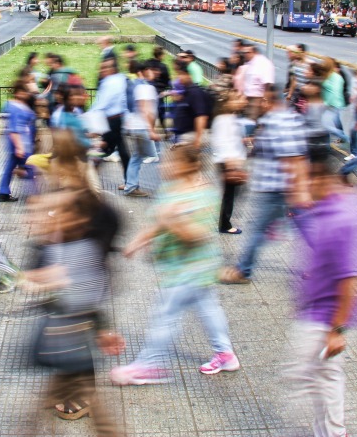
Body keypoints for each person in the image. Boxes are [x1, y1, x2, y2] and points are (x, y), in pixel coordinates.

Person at [110, 139, 240, 385]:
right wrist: (137, 242)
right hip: (186, 267)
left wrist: (173, 221)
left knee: (166, 314)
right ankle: (225, 354)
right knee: (208, 307)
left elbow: (198, 235)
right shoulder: (172, 188)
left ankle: (150, 365)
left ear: (188, 166)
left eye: (170, 163)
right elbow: (159, 222)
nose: (163, 167)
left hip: (190, 268)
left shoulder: (202, 194)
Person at [22, 167, 124, 434]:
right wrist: (34, 280)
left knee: (93, 408)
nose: (40, 219)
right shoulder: (51, 247)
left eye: (51, 214)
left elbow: (88, 294)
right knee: (48, 401)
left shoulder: (85, 249)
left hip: (74, 341)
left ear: (75, 220)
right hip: (58, 339)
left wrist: (50, 281)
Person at [286, 146, 357, 437]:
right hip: (320, 310)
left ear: (322, 179)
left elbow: (352, 279)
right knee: (327, 379)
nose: (305, 187)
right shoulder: (343, 205)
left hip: (325, 316)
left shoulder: (341, 218)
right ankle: (334, 432)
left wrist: (338, 329)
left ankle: (334, 432)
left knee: (303, 378)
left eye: (308, 180)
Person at [220, 84, 309, 285]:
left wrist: (298, 190)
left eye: (261, 99)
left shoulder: (279, 121)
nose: (258, 103)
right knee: (304, 228)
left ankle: (243, 271)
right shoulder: (281, 118)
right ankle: (324, 266)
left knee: (258, 230)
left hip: (277, 189)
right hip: (278, 188)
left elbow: (293, 158)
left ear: (269, 101)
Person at [212, 91, 248, 235]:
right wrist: (230, 165)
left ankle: (225, 222)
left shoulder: (230, 118)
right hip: (228, 163)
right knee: (229, 195)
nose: (239, 101)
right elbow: (222, 143)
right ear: (226, 103)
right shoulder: (224, 119)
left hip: (232, 162)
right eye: (235, 99)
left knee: (232, 194)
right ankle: (225, 224)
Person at [89, 57, 129, 185]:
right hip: (116, 120)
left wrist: (89, 117)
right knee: (119, 151)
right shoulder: (121, 79)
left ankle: (87, 178)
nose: (102, 70)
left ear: (112, 68)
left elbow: (101, 103)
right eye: (102, 67)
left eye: (105, 67)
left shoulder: (110, 82)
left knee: (107, 149)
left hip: (112, 120)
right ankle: (129, 182)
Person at [122, 62, 158, 197]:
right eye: (151, 70)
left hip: (134, 126)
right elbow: (145, 109)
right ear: (143, 71)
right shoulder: (144, 87)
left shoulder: (136, 85)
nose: (154, 73)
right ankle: (131, 186)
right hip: (142, 127)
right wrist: (151, 130)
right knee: (148, 156)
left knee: (137, 156)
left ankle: (130, 185)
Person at [0, 80, 36, 202]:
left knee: (10, 167)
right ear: (19, 93)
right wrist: (20, 147)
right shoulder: (17, 108)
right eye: (25, 92)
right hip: (21, 144)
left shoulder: (12, 106)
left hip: (17, 143)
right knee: (29, 168)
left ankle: (3, 192)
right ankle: (32, 194)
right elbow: (15, 129)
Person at [170, 58, 210, 148]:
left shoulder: (195, 92)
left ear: (189, 75)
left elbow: (201, 116)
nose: (179, 78)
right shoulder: (187, 92)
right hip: (187, 136)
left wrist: (198, 139)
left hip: (192, 136)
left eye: (181, 75)